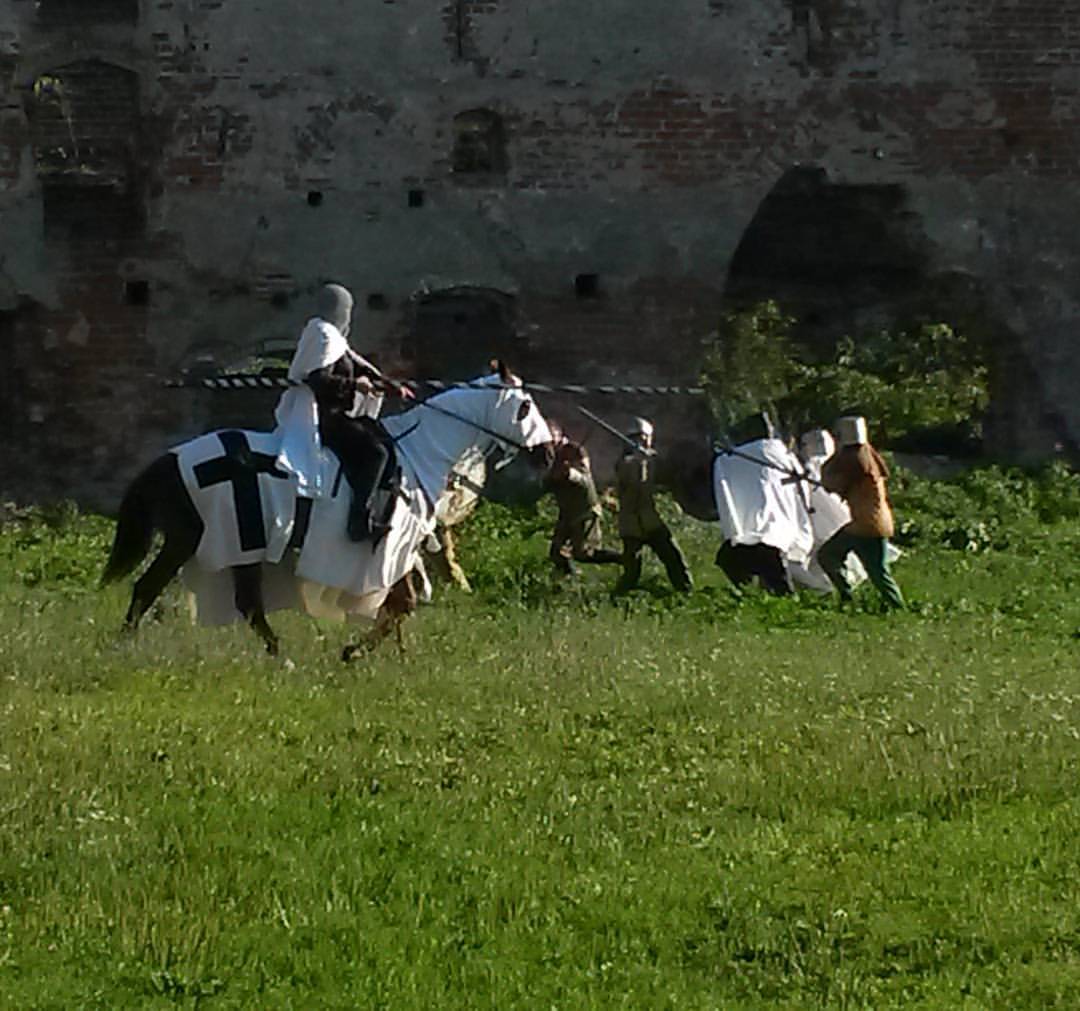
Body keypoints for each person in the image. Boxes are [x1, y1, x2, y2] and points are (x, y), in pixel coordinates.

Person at [274, 283, 411, 541]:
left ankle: (384, 509)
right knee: (375, 453)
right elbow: (318, 380)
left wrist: (392, 387)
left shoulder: (333, 339)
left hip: (338, 414)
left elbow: (359, 366)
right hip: (323, 417)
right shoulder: (322, 335)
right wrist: (354, 385)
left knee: (384, 438)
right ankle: (359, 522)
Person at [712, 412, 813, 596]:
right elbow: (802, 489)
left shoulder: (749, 456)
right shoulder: (783, 456)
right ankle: (750, 593)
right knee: (730, 558)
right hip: (776, 528)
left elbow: (725, 466)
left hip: (762, 530)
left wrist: (722, 457)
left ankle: (779, 601)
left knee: (774, 576)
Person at [816, 415, 906, 609]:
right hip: (876, 522)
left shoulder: (853, 459)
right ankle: (894, 606)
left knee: (828, 556)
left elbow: (834, 482)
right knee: (877, 571)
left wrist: (825, 480)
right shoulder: (868, 456)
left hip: (865, 525)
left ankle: (852, 598)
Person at [614, 417, 692, 594]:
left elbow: (667, 476)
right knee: (632, 570)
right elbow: (631, 480)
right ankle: (618, 598)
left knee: (674, 559)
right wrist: (640, 460)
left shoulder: (652, 459)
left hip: (651, 520)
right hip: (631, 525)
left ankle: (686, 593)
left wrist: (654, 461)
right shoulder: (624, 463)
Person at [547, 439, 621, 576]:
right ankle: (568, 577)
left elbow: (574, 476)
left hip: (585, 514)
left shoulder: (579, 472)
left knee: (584, 553)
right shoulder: (555, 470)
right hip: (567, 515)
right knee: (556, 551)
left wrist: (565, 469)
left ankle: (623, 559)